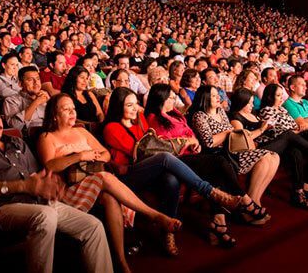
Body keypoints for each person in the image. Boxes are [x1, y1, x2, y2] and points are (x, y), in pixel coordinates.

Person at [0, 101, 113, 273]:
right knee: (46, 216)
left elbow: (34, 177)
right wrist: (24, 186)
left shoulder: (16, 142)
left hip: (36, 202)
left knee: (92, 225)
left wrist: (48, 185)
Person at [37, 94, 180, 273]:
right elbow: (49, 165)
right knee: (104, 177)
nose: (72, 112)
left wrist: (92, 157)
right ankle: (154, 215)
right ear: (54, 115)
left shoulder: (81, 131)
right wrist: (80, 156)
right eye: (66, 109)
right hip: (68, 189)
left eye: (73, 108)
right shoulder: (47, 136)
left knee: (110, 197)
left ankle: (121, 261)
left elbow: (105, 154)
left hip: (92, 180)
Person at [102, 87, 245, 256]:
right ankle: (211, 192)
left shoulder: (139, 119)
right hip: (128, 175)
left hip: (149, 168)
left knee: (171, 178)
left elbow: (153, 142)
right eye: (129, 105)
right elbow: (141, 150)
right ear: (119, 107)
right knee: (164, 157)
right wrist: (177, 144)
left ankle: (168, 231)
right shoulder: (111, 128)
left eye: (136, 104)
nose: (135, 108)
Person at [145, 84, 271, 235]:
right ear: (161, 99)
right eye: (171, 97)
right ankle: (245, 200)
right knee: (219, 162)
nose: (174, 100)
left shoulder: (175, 114)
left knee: (216, 171)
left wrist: (195, 143)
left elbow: (190, 133)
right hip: (175, 159)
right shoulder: (154, 118)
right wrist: (190, 142)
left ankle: (219, 223)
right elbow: (165, 143)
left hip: (192, 154)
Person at [231, 88, 308, 209]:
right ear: (241, 102)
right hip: (258, 148)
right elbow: (243, 140)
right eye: (249, 102)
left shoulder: (255, 113)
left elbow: (293, 126)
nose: (252, 105)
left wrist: (295, 129)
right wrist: (261, 130)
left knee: (295, 151)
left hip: (280, 142)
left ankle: (298, 192)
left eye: (252, 102)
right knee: (289, 135)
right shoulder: (238, 117)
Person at [188, 85, 280, 211]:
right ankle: (249, 206)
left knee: (274, 157)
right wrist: (227, 132)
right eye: (214, 95)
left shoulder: (220, 111)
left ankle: (254, 200)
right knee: (265, 157)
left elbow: (229, 133)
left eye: (218, 95)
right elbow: (209, 142)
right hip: (217, 154)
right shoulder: (200, 116)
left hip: (231, 150)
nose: (218, 97)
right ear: (205, 98)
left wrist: (227, 133)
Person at [3, 66, 49, 133]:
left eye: (38, 79)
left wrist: (51, 102)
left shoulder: (46, 97)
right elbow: (16, 127)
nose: (36, 82)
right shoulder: (11, 101)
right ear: (20, 84)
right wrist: (36, 102)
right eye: (30, 80)